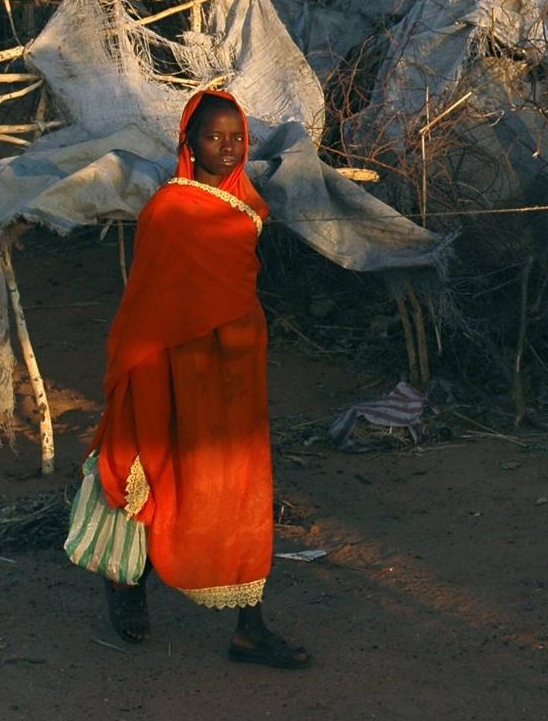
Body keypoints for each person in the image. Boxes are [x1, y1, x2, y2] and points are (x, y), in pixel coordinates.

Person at [78, 89, 310, 668]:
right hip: (178, 373)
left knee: (238, 489)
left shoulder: (248, 203)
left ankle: (249, 629)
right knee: (170, 481)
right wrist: (146, 373)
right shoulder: (169, 210)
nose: (227, 148)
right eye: (213, 137)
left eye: (237, 137)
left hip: (235, 379)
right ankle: (129, 582)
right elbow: (152, 305)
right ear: (189, 142)